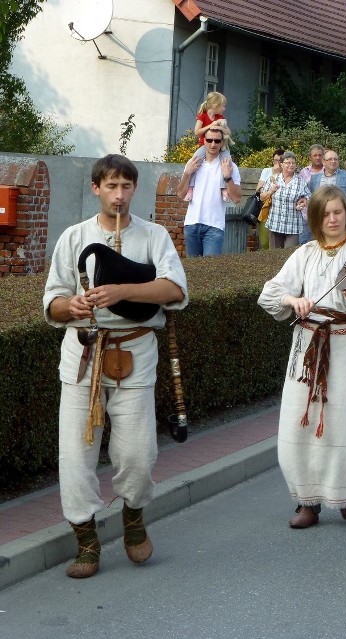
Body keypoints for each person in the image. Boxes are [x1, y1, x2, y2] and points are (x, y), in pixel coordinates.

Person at [44, 154, 188, 578]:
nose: (119, 194)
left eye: (126, 186)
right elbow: (51, 301)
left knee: (138, 455)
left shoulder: (154, 235)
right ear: (96, 189)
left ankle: (134, 517)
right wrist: (68, 306)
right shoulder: (74, 237)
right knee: (75, 455)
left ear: (134, 189)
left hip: (134, 354)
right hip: (82, 355)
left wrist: (123, 289)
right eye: (111, 186)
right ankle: (86, 542)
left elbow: (176, 289)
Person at [258, 185, 346, 529]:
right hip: (308, 342)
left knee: (341, 421)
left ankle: (344, 493)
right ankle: (307, 502)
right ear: (316, 217)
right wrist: (293, 302)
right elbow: (269, 294)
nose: (332, 219)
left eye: (338, 212)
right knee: (302, 419)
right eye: (325, 213)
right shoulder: (303, 254)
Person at [177, 127, 241, 256]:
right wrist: (187, 173)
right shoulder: (193, 163)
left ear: (222, 143)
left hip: (214, 226)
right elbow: (180, 194)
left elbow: (236, 198)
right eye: (209, 140)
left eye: (217, 141)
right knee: (194, 271)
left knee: (210, 272)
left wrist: (227, 177)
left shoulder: (229, 166)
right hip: (192, 224)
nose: (213, 144)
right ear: (204, 141)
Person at [184, 91, 232, 203]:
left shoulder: (220, 117)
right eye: (223, 106)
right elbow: (196, 132)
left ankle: (223, 187)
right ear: (216, 106)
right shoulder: (203, 116)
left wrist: (220, 128)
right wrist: (210, 126)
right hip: (204, 146)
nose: (224, 108)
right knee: (194, 161)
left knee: (226, 161)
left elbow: (228, 132)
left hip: (220, 146)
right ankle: (190, 188)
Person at [308, 149, 346, 242]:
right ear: (323, 161)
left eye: (335, 159)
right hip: (322, 220)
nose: (333, 161)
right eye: (330, 159)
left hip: (342, 220)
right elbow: (311, 201)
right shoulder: (314, 179)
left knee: (343, 245)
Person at [262, 151, 310, 248]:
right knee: (275, 256)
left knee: (289, 255)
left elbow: (309, 197)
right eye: (288, 163)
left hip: (293, 225)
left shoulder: (300, 182)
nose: (291, 165)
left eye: (293, 163)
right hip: (275, 223)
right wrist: (271, 191)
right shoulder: (273, 179)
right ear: (281, 164)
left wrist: (304, 201)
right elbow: (262, 197)